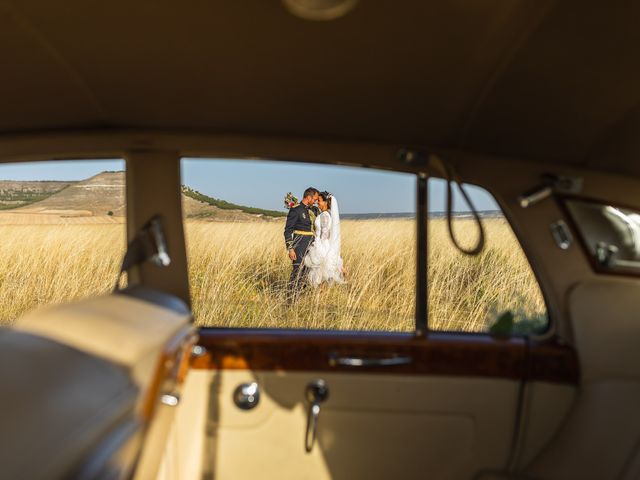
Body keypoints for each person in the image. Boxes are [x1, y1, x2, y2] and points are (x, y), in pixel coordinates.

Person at [284, 187, 319, 300]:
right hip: (299, 244)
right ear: (308, 197)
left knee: (308, 271)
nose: (315, 201)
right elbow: (288, 230)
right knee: (297, 271)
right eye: (314, 199)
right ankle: (290, 298)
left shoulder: (314, 210)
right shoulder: (296, 210)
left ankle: (300, 296)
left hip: (312, 245)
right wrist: (290, 248)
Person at [304, 191, 345, 286]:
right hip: (324, 244)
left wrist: (317, 245)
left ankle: (320, 297)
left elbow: (324, 233)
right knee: (322, 277)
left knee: (320, 276)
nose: (317, 202)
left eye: (319, 200)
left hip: (322, 246)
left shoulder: (324, 215)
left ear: (326, 202)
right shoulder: (328, 214)